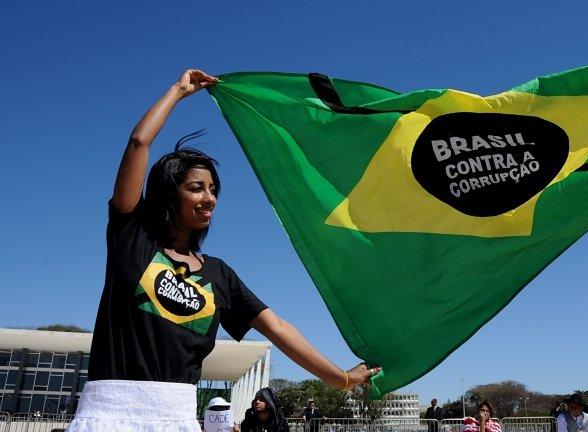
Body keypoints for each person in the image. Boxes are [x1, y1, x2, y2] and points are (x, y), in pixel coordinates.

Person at [65, 70, 378, 432]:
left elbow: (277, 328)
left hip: (178, 419)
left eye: (213, 189)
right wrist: (179, 92)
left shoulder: (219, 274)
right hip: (107, 415)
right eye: (196, 188)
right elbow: (138, 143)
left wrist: (339, 378)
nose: (209, 197)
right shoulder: (132, 239)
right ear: (169, 196)